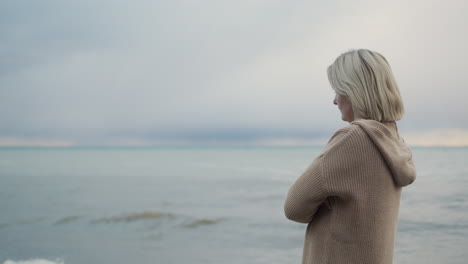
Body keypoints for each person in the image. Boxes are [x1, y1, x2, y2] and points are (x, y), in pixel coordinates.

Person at [283, 49, 417, 264]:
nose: (335, 101)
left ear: (354, 91)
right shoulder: (393, 139)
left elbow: (294, 208)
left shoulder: (353, 138)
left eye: (338, 90)